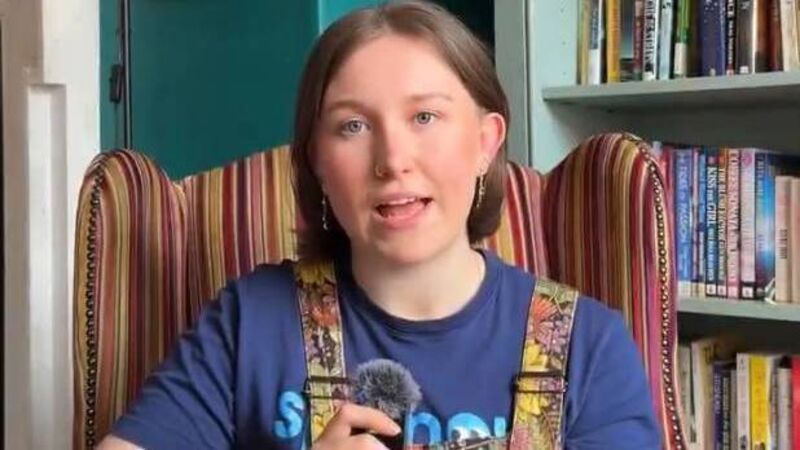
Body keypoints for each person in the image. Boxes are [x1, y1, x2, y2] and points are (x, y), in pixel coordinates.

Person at [98, 1, 662, 449]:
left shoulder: (590, 345)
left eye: (425, 116)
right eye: (352, 126)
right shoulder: (251, 322)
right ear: (318, 163)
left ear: (485, 142)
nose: (392, 160)